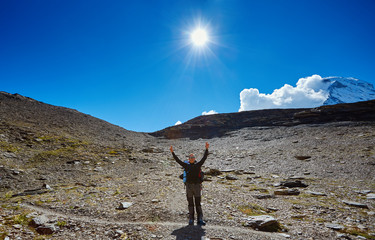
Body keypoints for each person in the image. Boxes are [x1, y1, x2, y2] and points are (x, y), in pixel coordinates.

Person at [170, 142, 209, 226]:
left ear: (195, 158)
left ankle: (200, 219)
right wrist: (172, 152)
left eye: (193, 157)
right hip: (189, 186)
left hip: (197, 186)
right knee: (190, 203)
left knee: (198, 203)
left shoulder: (198, 165)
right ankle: (191, 219)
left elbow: (204, 158)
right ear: (188, 159)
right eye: (190, 157)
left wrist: (206, 149)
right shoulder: (186, 165)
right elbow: (177, 160)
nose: (192, 158)